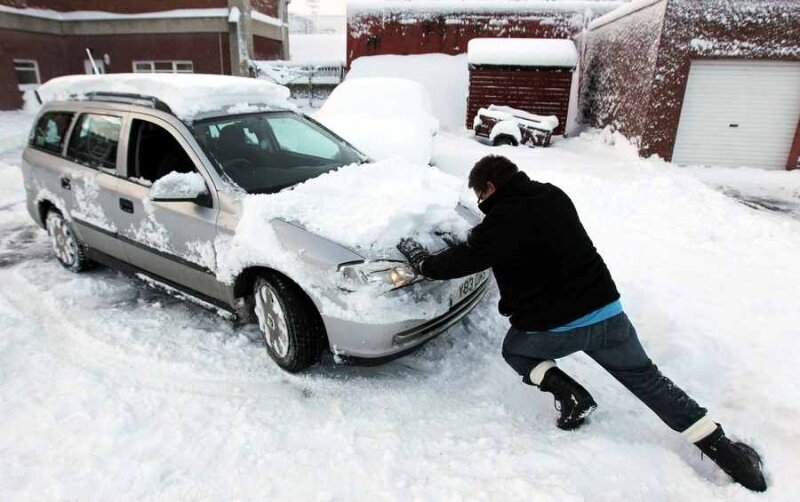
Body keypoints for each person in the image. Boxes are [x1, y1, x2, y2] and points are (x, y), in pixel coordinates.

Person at [397, 155, 767, 492]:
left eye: (481, 195)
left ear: (490, 187)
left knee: (515, 350)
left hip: (558, 327)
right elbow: (505, 241)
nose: (481, 203)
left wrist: (423, 263)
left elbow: (468, 257)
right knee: (648, 381)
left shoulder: (503, 221)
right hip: (608, 312)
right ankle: (730, 457)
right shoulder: (553, 196)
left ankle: (572, 395)